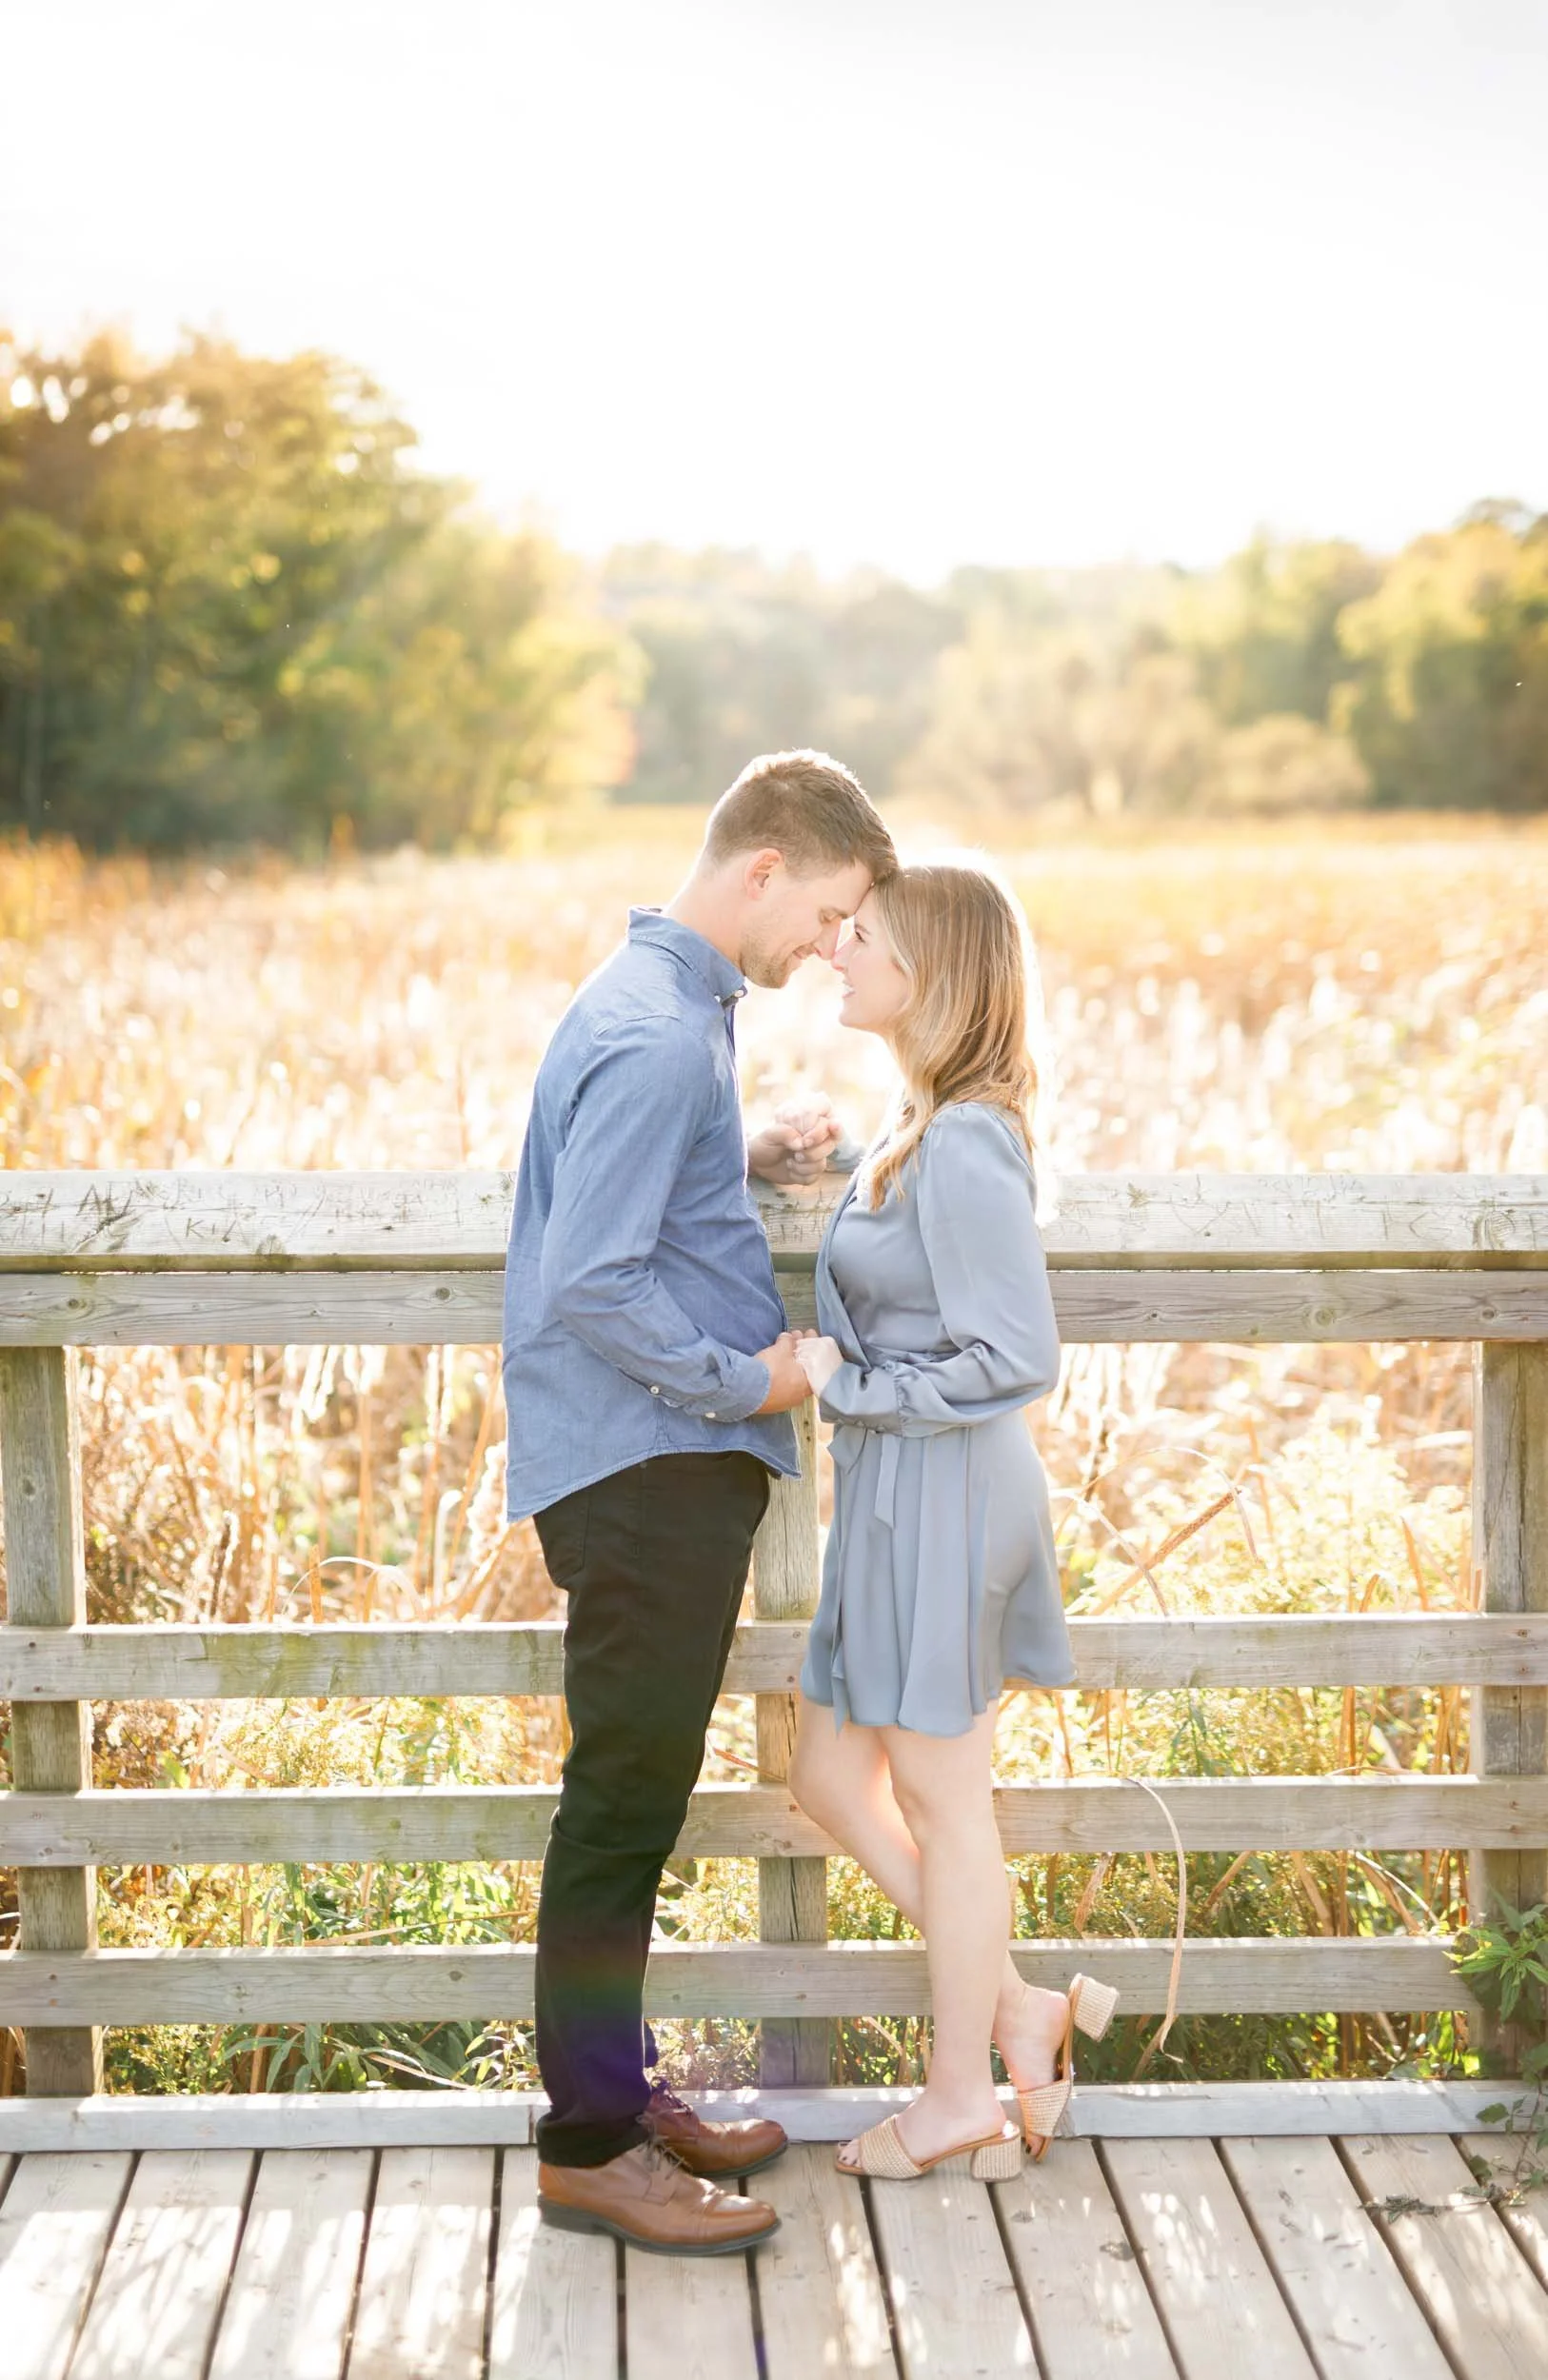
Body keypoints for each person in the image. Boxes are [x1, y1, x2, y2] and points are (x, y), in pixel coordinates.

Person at [503, 749, 896, 2254]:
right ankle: (591, 2146)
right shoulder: (660, 1031)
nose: (823, 949)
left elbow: (612, 1202)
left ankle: (616, 2089)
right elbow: (589, 1277)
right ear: (762, 870)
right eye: (828, 911)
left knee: (632, 1803)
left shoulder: (655, 1009)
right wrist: (756, 1381)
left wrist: (730, 1161)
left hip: (641, 1466)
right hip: (646, 1468)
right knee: (618, 1812)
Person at [788, 858, 1119, 2182]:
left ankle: (952, 2100)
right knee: (826, 1774)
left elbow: (1013, 1353)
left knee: (941, 1796)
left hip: (946, 1495)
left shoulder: (971, 1137)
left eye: (859, 938)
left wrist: (845, 1382)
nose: (837, 956)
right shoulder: (915, 1124)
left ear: (932, 970)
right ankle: (1019, 2014)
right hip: (891, 1496)